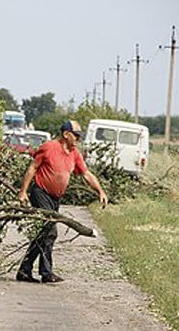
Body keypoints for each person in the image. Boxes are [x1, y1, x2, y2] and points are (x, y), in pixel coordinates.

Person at [16, 120, 108, 283]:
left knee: (43, 233)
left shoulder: (74, 154)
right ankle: (46, 272)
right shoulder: (49, 147)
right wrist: (23, 192)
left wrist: (100, 191)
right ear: (66, 134)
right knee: (50, 231)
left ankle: (25, 270)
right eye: (76, 135)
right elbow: (33, 168)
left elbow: (87, 174)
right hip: (40, 193)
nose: (78, 139)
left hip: (55, 198)